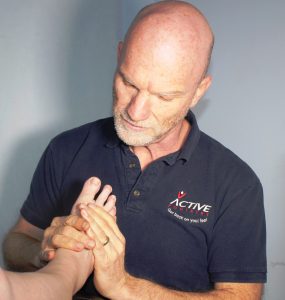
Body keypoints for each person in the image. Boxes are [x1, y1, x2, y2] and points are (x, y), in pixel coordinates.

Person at [3, 0, 267, 299]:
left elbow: (242, 296)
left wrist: (125, 286)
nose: (136, 111)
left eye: (164, 96)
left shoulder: (236, 184)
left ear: (198, 91)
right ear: (119, 56)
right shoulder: (66, 148)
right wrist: (45, 250)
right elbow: (16, 242)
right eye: (128, 82)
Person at [0, 177, 116, 299]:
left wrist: (123, 284)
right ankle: (67, 272)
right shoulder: (63, 158)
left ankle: (65, 274)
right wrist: (44, 253)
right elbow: (16, 241)